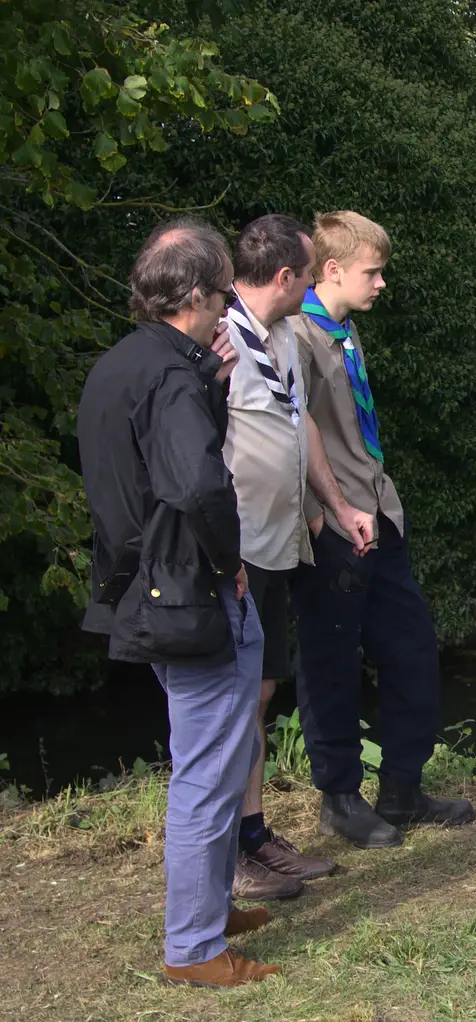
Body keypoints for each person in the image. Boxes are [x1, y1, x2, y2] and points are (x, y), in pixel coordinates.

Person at [77, 218, 280, 987]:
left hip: (144, 585)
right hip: (188, 592)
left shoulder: (125, 365)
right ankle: (194, 947)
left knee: (221, 756)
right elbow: (194, 484)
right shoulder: (169, 375)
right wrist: (229, 560)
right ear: (198, 294)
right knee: (206, 768)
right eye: (226, 290)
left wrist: (211, 385)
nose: (231, 305)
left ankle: (212, 908)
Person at [290, 211, 473, 849]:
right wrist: (328, 514)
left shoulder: (341, 330)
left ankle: (401, 788)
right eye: (373, 272)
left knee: (412, 649)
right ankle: (339, 797)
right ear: (333, 270)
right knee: (331, 661)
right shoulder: (296, 336)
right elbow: (291, 436)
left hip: (379, 514)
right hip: (333, 526)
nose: (381, 283)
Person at [224, 214, 368, 899]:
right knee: (234, 698)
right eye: (308, 273)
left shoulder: (281, 337)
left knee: (262, 689)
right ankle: (230, 848)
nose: (314, 283)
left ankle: (253, 833)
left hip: (280, 544)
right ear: (285, 277)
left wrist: (335, 509)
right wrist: (224, 551)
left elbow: (297, 421)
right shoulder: (218, 342)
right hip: (235, 551)